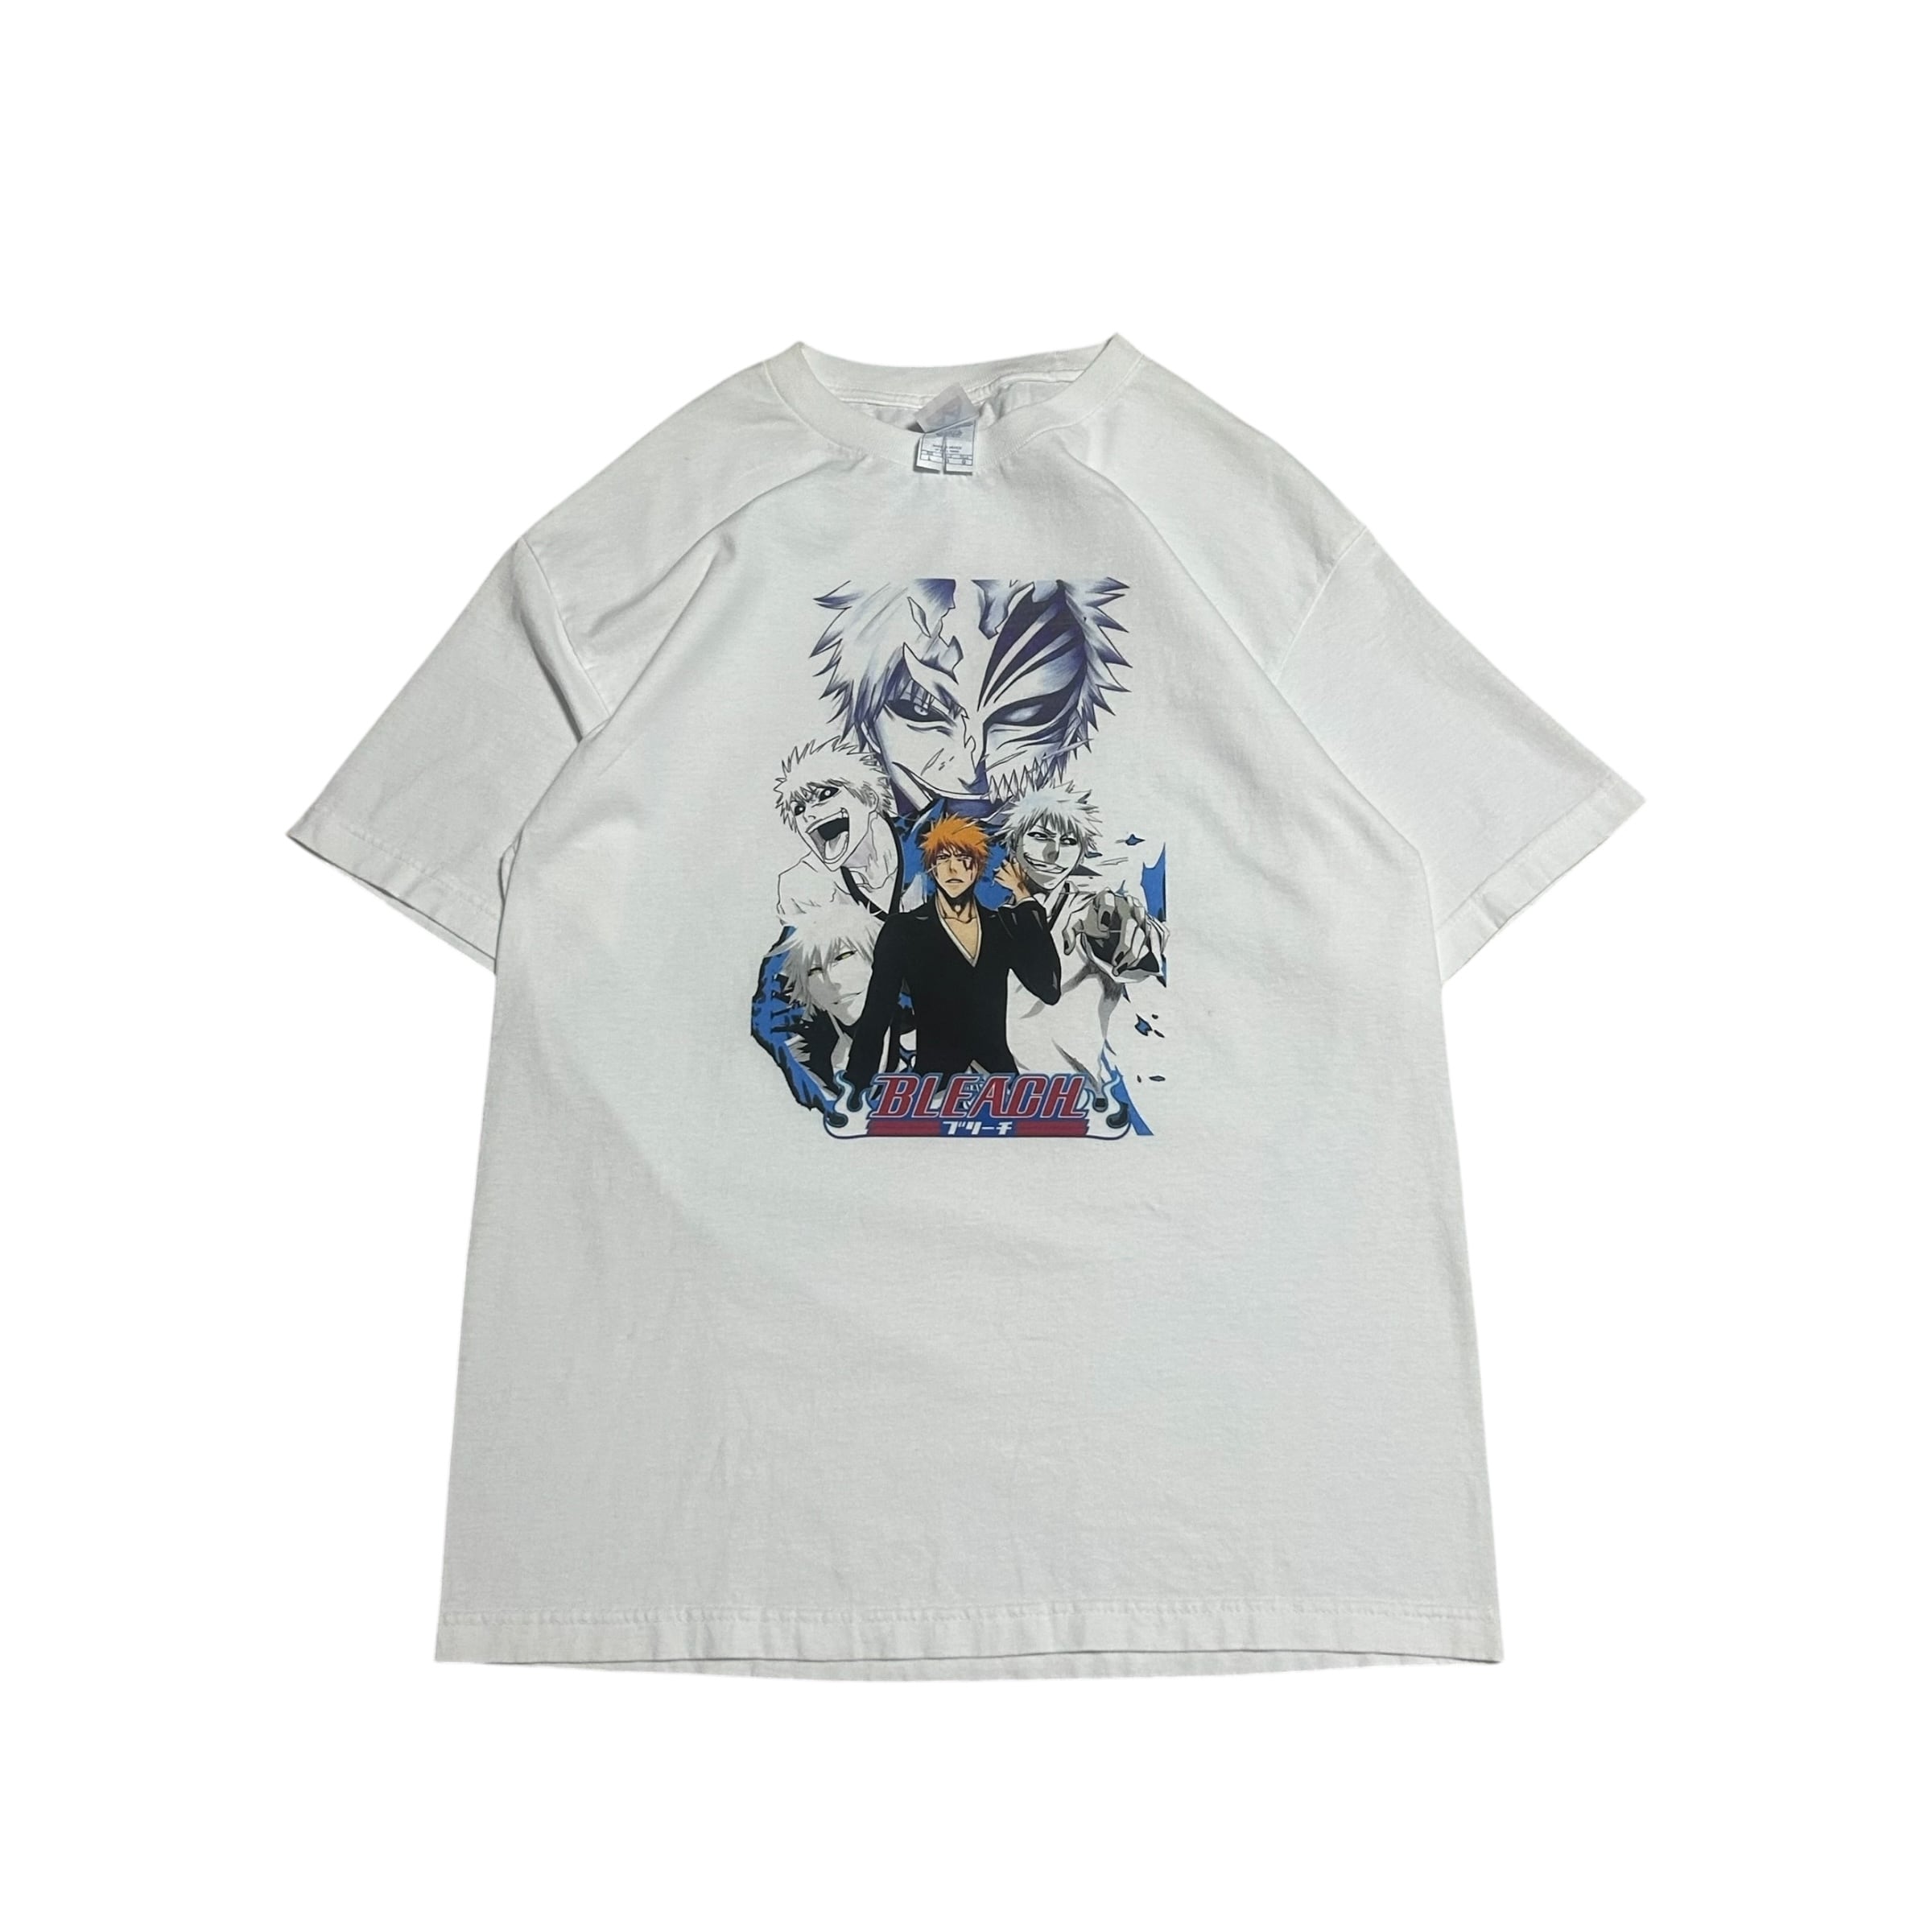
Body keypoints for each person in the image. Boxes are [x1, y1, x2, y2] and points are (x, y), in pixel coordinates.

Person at [842, 814, 1060, 1096]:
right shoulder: (904, 929)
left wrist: (1024, 897)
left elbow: (1048, 988)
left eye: (964, 858)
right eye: (943, 858)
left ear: (977, 867)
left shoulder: (1001, 925)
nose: (953, 868)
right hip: (933, 1083)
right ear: (932, 868)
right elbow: (877, 1013)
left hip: (1001, 1083)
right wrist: (856, 1087)